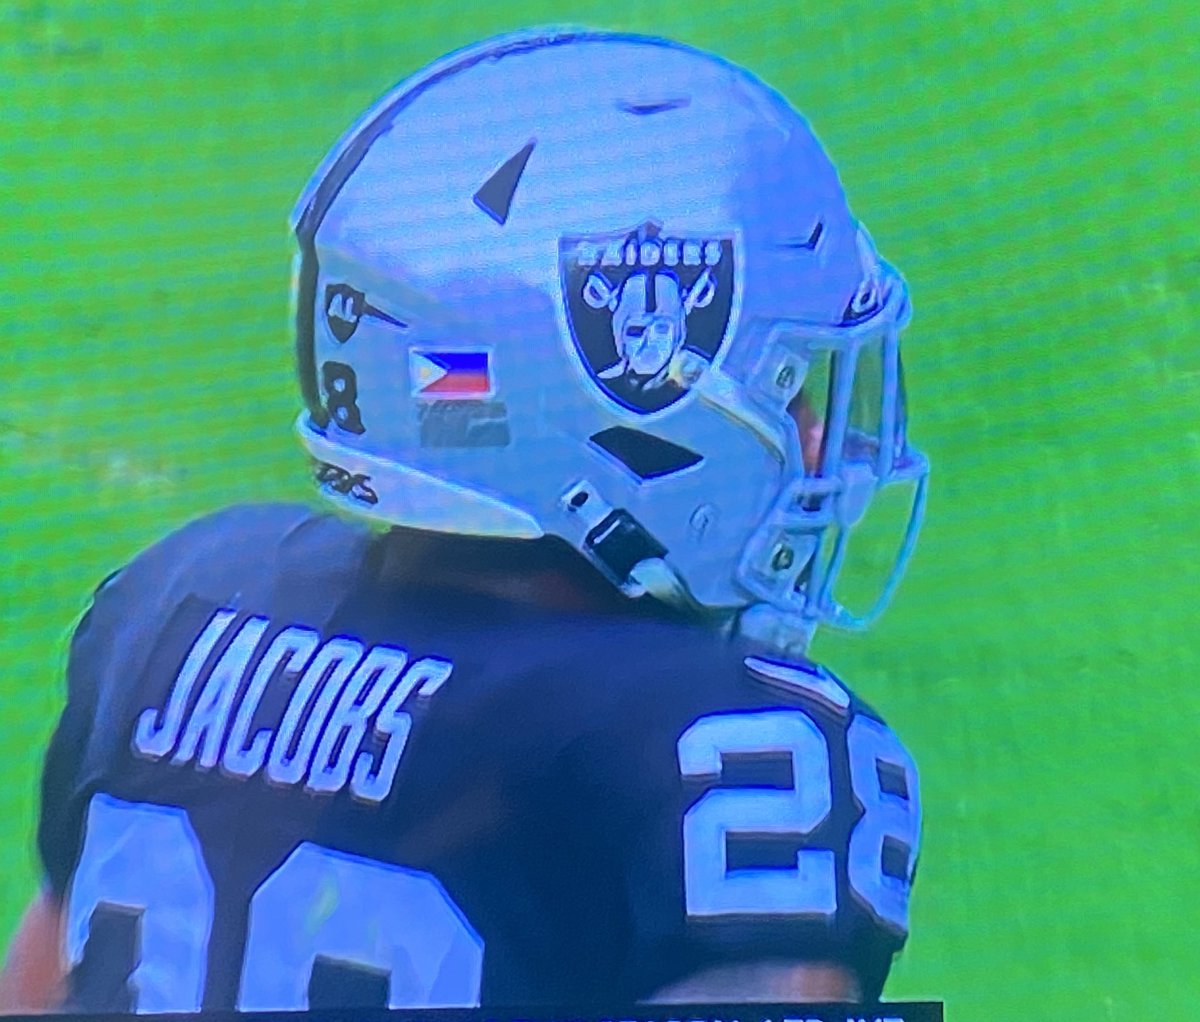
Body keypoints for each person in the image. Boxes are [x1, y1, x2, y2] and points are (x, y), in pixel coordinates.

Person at [0, 28, 929, 1012]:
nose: (816, 433)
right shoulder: (733, 749)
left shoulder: (182, 603)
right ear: (625, 384)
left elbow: (38, 984)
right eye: (786, 387)